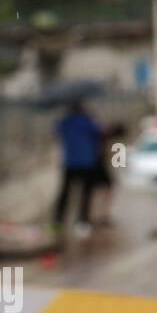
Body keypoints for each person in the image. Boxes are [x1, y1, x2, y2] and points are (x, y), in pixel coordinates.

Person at [53, 101, 103, 236]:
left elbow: (57, 133)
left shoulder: (64, 123)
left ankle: (58, 221)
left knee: (65, 193)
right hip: (87, 162)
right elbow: (98, 133)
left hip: (70, 162)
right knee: (85, 194)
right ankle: (82, 221)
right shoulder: (87, 121)